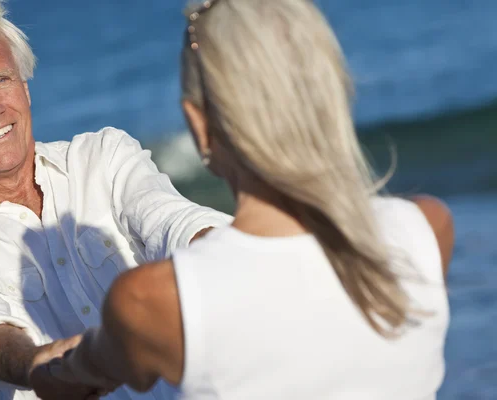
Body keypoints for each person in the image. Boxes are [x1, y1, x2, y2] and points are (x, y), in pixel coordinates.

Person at [42, 0, 455, 399]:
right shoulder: (427, 228)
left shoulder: (158, 299)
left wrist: (48, 365)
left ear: (199, 126)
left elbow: (67, 380)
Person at [0, 0, 230, 399]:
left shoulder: (104, 157)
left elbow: (169, 220)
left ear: (25, 87)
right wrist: (38, 363)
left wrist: (229, 255)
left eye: (1, 80)